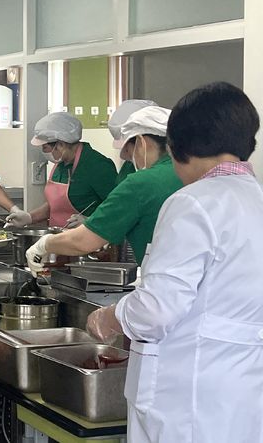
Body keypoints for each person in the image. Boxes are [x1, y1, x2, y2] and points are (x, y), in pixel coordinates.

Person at [86, 82, 263, 442]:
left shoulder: (193, 202)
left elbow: (156, 311)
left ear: (178, 146)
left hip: (184, 398)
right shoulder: (256, 200)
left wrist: (110, 316)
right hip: (241, 394)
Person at [25, 106, 183, 270]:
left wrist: (44, 244)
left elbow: (83, 241)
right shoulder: (191, 173)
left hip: (165, 279)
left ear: (142, 142)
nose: (123, 157)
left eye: (127, 149)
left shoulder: (140, 182)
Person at [5, 112, 117, 229]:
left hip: (89, 241)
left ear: (61, 145)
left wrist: (91, 221)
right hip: (61, 238)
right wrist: (29, 217)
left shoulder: (98, 166)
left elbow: (119, 208)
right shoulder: (61, 163)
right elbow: (56, 206)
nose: (44, 152)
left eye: (45, 147)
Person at [108, 99, 157, 184]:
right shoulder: (129, 167)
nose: (123, 155)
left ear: (142, 142)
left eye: (127, 149)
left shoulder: (173, 170)